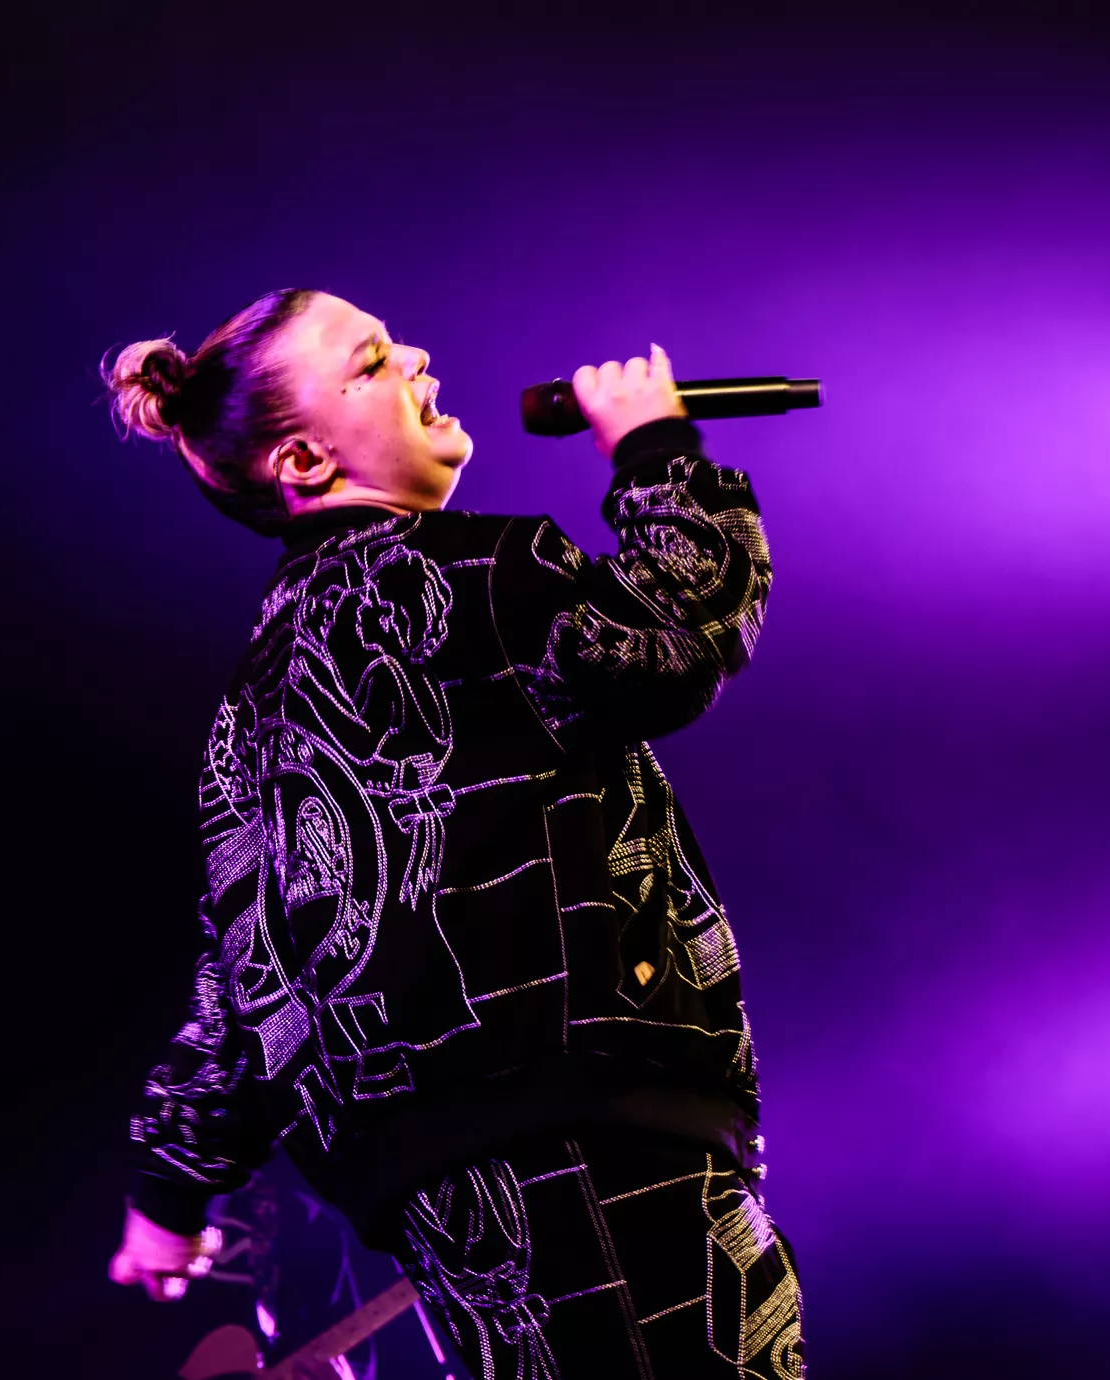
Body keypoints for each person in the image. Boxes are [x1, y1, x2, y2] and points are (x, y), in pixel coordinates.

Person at [101, 288, 801, 1380]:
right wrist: (658, 450)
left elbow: (250, 971)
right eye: (373, 361)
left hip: (442, 1194)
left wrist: (169, 1191)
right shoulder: (467, 573)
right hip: (601, 1134)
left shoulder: (249, 714)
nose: (417, 358)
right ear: (304, 463)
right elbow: (673, 637)